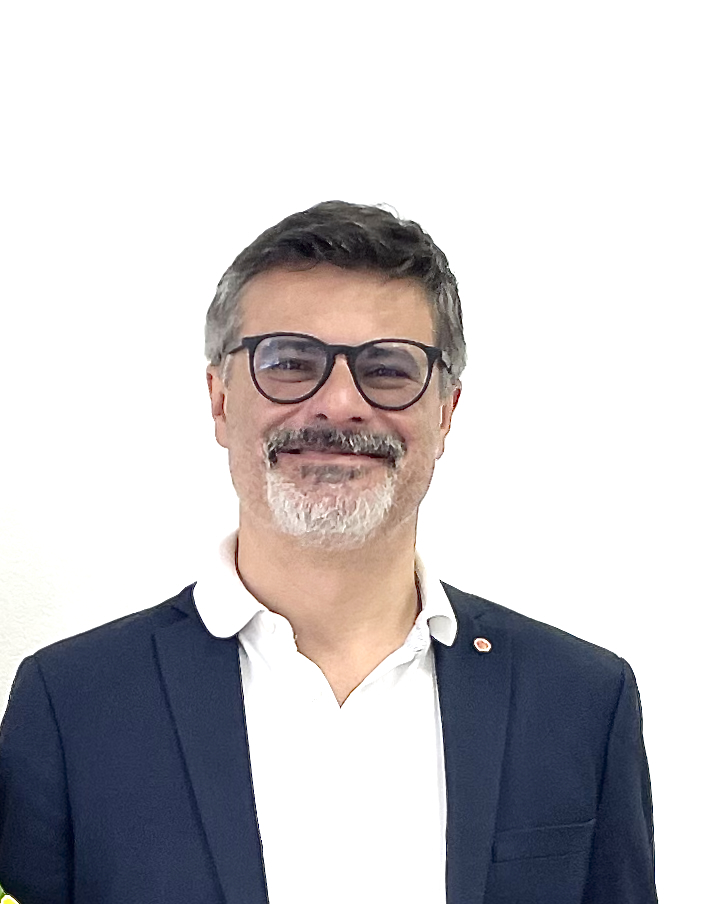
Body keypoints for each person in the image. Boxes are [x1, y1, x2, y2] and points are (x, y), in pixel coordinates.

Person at [0, 201, 657, 904]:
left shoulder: (580, 701)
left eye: (389, 368)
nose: (340, 402)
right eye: (289, 362)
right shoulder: (71, 705)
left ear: (445, 413)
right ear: (220, 400)